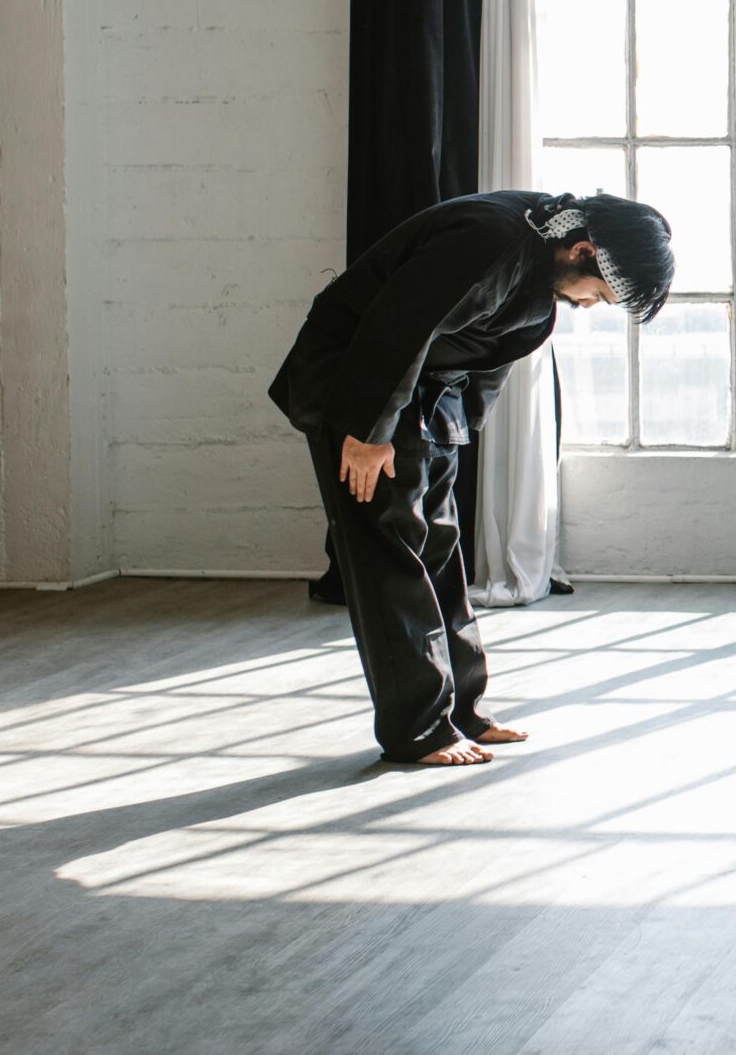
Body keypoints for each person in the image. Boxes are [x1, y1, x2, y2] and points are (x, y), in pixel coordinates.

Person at [269, 190, 673, 767]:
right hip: (360, 382)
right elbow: (397, 326)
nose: (591, 305)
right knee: (388, 553)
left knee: (439, 545)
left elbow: (486, 359)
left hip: (426, 395)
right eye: (600, 294)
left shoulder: (540, 261)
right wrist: (367, 432)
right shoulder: (493, 243)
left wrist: (453, 436)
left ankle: (461, 710)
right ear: (582, 251)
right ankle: (418, 730)